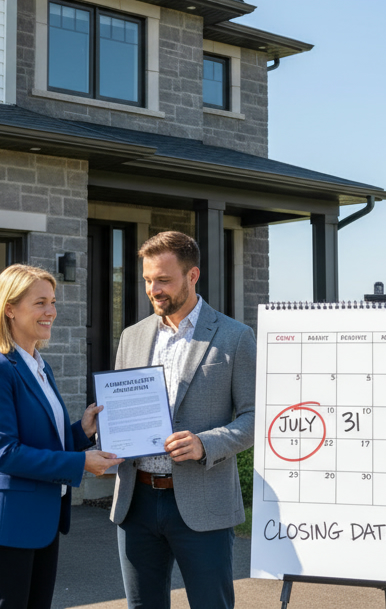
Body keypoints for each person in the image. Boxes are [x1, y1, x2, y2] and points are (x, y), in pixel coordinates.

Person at [109, 231, 256, 609]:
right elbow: (124, 413)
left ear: (193, 276)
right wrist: (106, 435)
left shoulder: (235, 337)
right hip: (136, 501)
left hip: (203, 503)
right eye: (147, 280)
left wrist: (205, 443)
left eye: (163, 279)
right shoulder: (131, 337)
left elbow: (255, 417)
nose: (153, 289)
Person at [0, 264, 122, 609]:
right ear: (9, 308)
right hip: (7, 527)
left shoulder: (39, 365)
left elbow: (42, 439)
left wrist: (81, 432)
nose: (51, 311)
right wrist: (81, 462)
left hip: (42, 522)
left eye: (52, 302)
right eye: (40, 303)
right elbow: (5, 453)